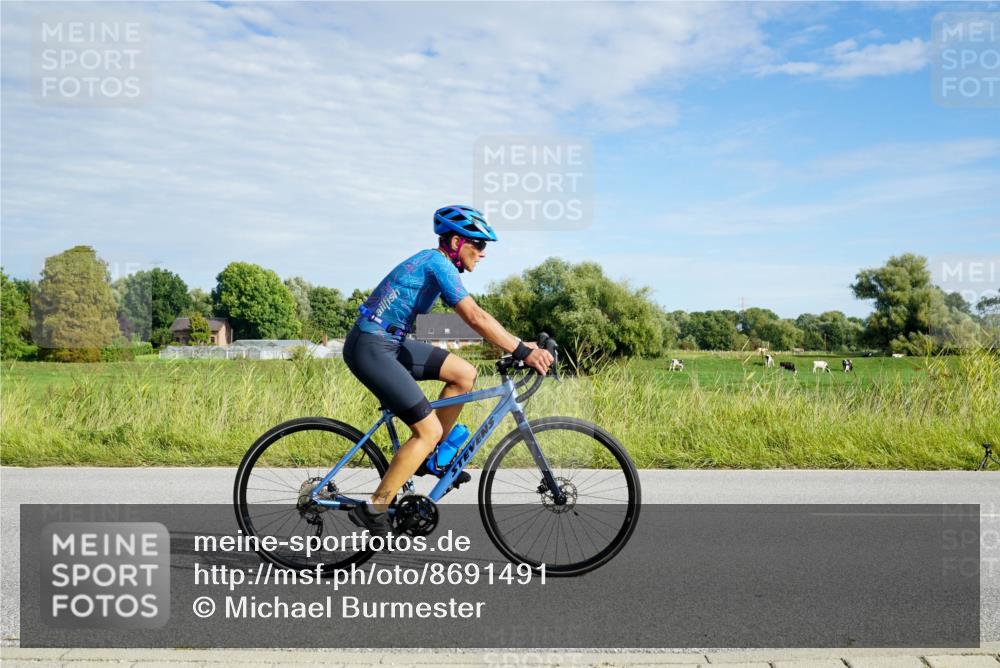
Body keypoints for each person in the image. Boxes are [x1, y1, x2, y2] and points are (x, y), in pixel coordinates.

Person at [344, 205, 554, 536]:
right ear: (456, 242)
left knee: (464, 374)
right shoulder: (438, 264)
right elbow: (475, 316)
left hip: (389, 343)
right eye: (479, 245)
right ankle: (376, 507)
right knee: (426, 430)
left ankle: (432, 458)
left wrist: (515, 342)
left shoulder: (434, 264)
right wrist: (523, 351)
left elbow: (467, 323)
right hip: (371, 347)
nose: (483, 254)